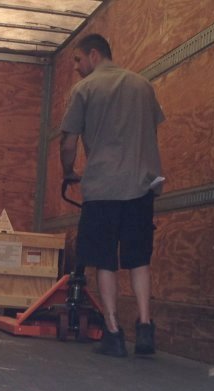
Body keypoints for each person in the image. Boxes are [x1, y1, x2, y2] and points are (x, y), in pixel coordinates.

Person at [59, 33, 165, 357]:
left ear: (94, 55)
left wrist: (67, 173)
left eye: (77, 60)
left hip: (103, 187)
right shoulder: (143, 86)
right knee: (139, 259)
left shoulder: (85, 89)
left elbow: (67, 142)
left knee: (104, 259)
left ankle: (114, 333)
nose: (76, 67)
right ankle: (145, 329)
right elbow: (150, 128)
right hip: (140, 185)